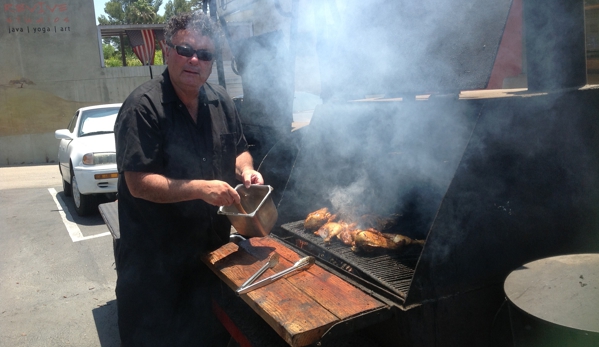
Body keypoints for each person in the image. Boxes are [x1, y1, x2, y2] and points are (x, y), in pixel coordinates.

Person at [113, 11, 264, 347]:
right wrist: (200, 189)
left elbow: (239, 151)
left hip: (209, 262)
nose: (195, 60)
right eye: (185, 50)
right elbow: (138, 182)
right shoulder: (143, 107)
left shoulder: (222, 101)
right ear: (167, 50)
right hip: (155, 270)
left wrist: (246, 170)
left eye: (205, 54)